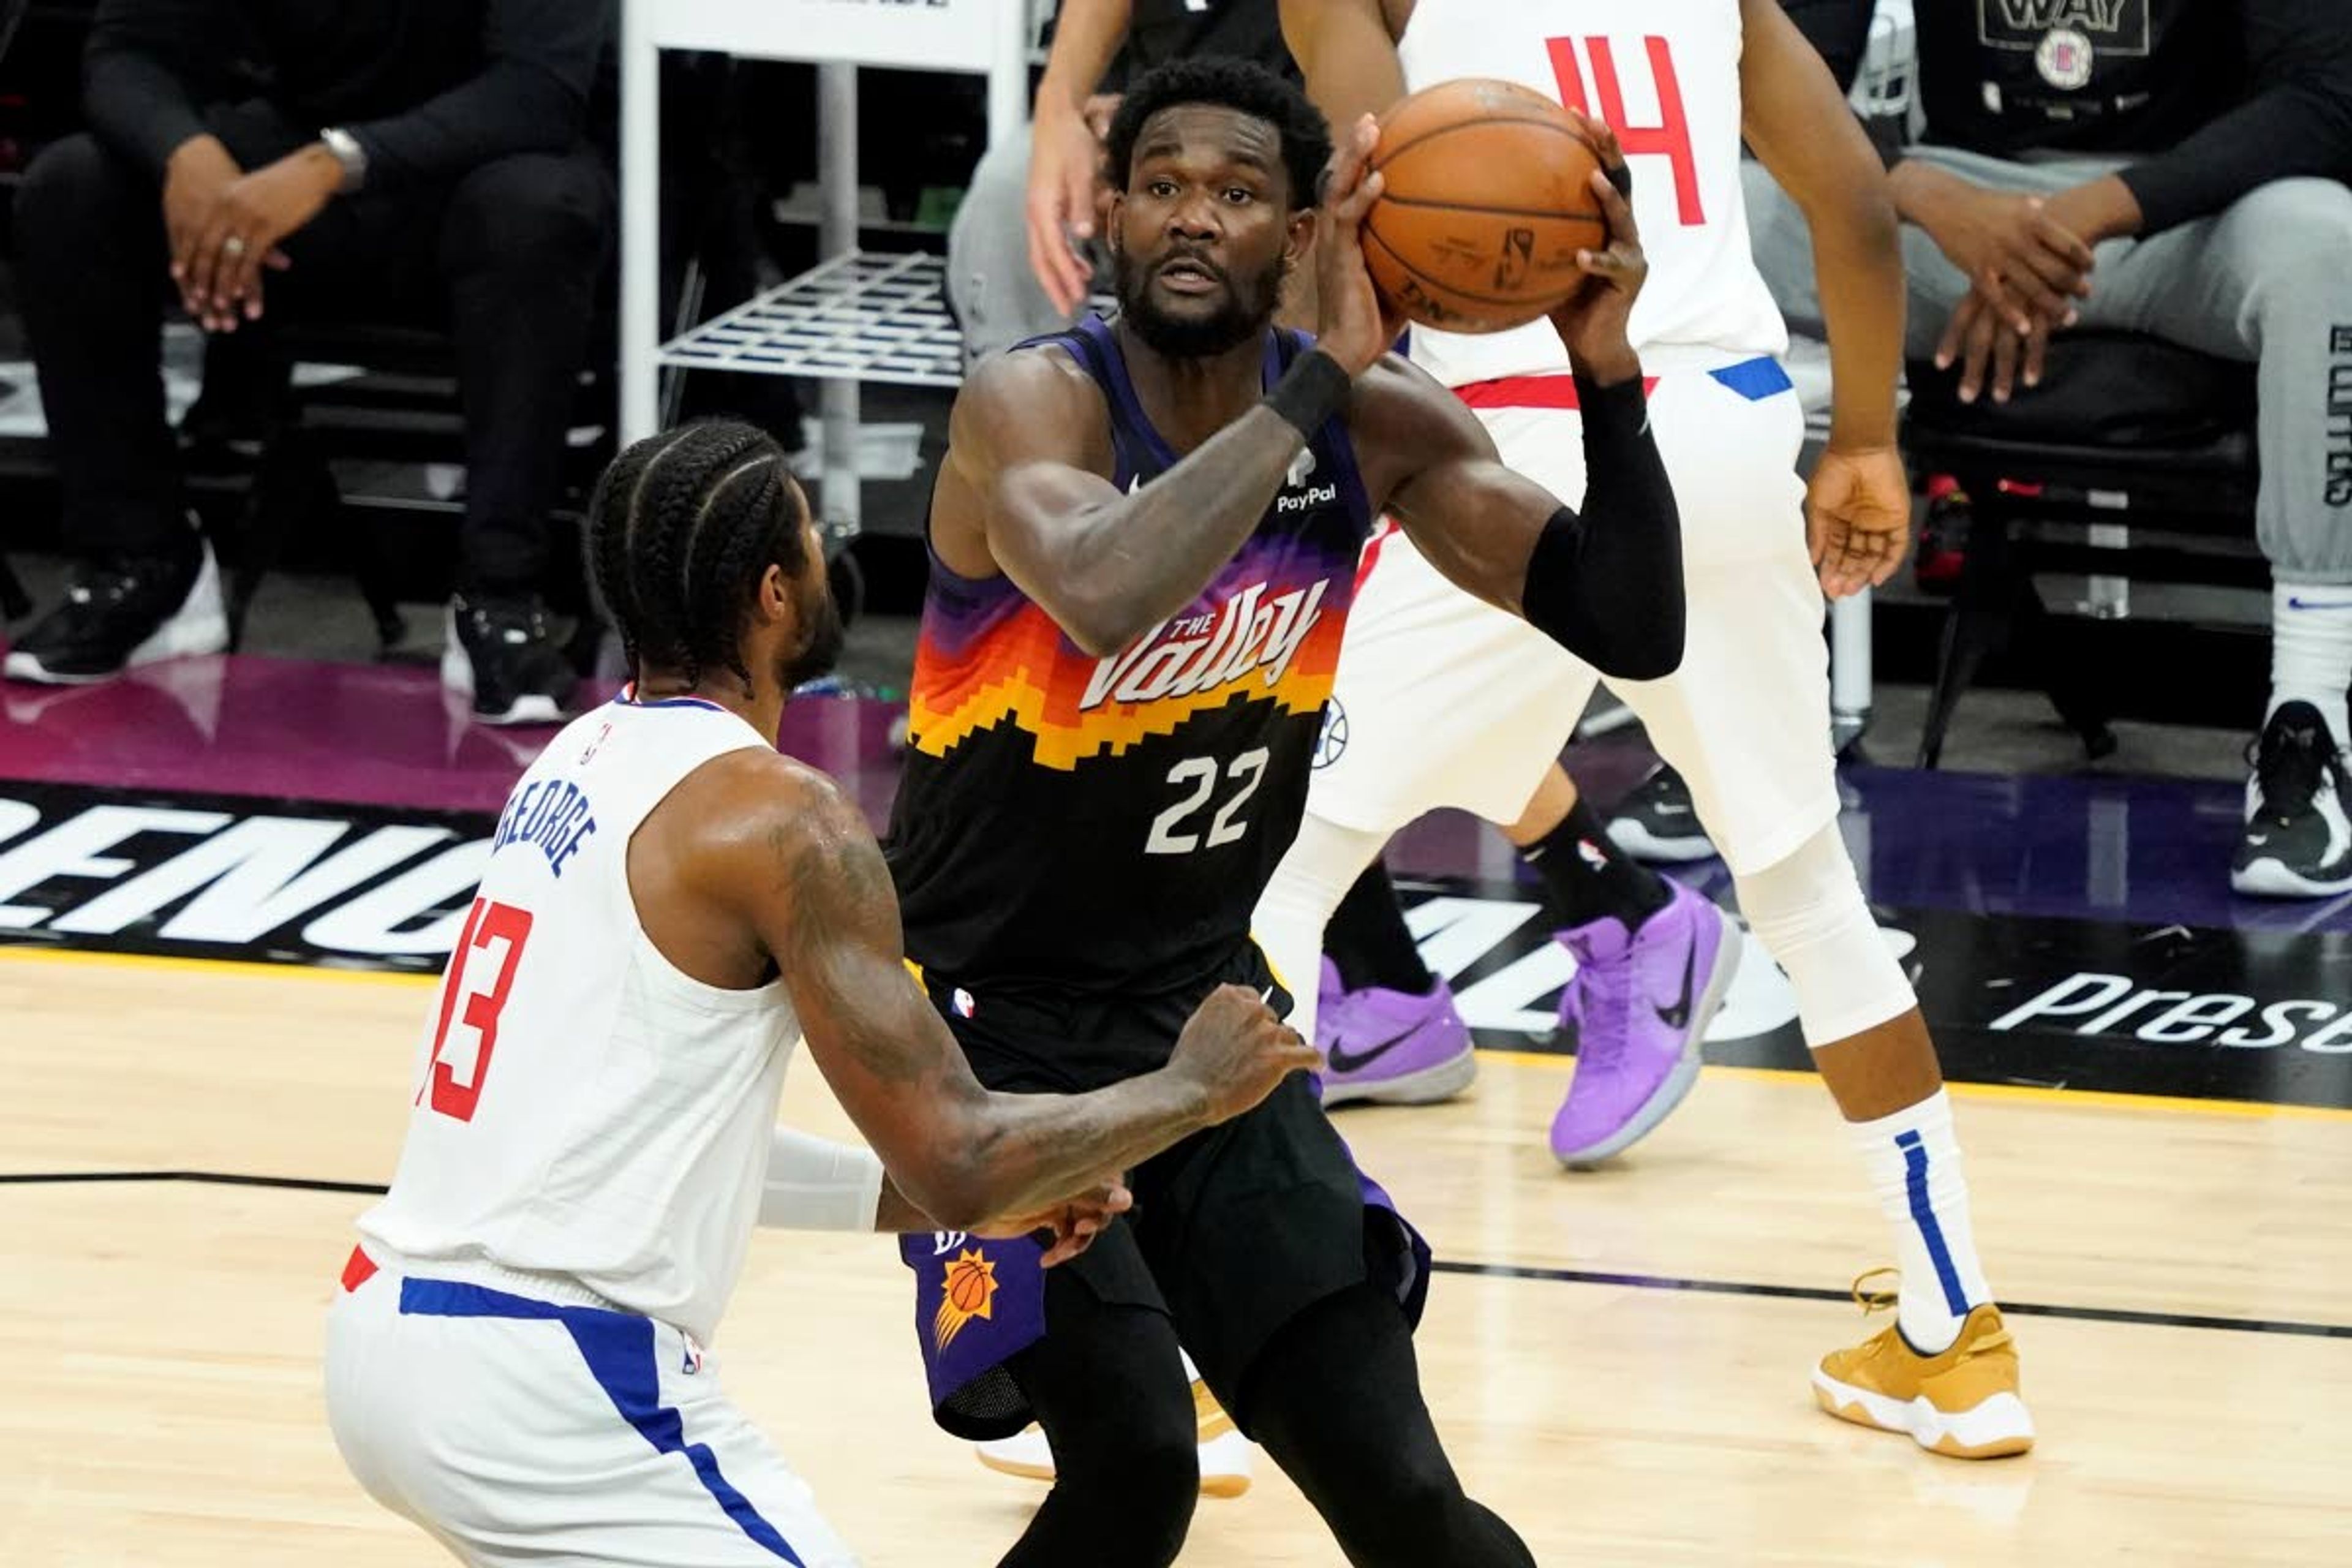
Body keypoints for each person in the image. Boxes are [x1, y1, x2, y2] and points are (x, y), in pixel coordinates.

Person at [889, 52, 1684, 1564]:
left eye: (1241, 193)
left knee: (1402, 1495)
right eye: (1166, 185)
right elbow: (1110, 587)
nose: (1196, 217)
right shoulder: (1032, 405)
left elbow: (1629, 622)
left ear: (1306, 229)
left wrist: (1604, 366)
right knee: (1132, 1470)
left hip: (1213, 1017)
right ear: (1109, 212)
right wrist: (1317, 372)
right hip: (987, 1037)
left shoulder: (1376, 423)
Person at [323, 419, 1321, 1567]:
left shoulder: (576, 759)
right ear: (775, 595)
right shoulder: (784, 820)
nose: (828, 551)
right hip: (549, 1384)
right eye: (814, 532)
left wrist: (948, 1204)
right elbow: (959, 1151)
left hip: (388, 1334)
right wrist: (1194, 1088)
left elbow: (665, 1139)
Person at [1265, 0, 2034, 1457]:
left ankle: (1200, 1338)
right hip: (1726, 421)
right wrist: (1865, 437)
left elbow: (1356, 232)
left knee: (1277, 877)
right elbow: (1853, 203)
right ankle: (1955, 1334)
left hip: (1502, 439)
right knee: (1806, 886)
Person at [1747, 2, 2352, 896]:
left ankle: (2312, 721)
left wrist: (2083, 214)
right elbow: (1761, 74)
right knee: (1731, 218)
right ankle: (1738, 719)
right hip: (1947, 213)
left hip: (2183, 210)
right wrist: (1925, 195)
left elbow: (2327, 100)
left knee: (2329, 246)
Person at [2, 0, 614, 726]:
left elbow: (535, 93)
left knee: (536, 209)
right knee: (71, 189)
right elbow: (125, 52)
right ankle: (144, 558)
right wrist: (187, 157)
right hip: (292, 161)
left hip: (481, 169)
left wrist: (336, 163)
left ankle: (500, 595)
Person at [950, 0, 1298, 366]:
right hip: (1145, 124)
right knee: (1013, 185)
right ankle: (1023, 399)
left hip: (1288, 153)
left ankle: (1272, 405)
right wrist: (1067, 112)